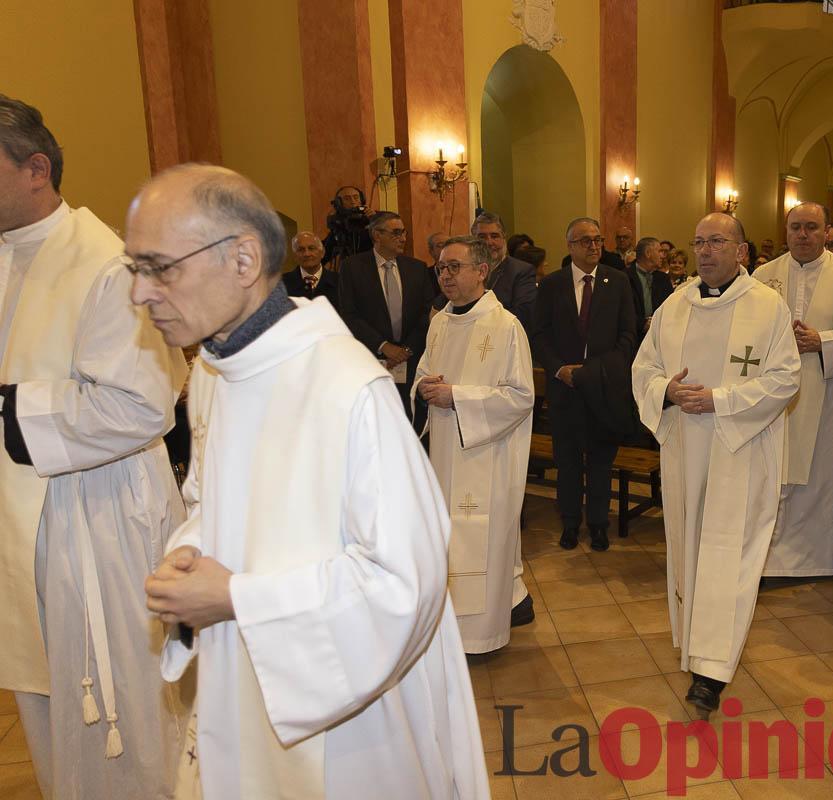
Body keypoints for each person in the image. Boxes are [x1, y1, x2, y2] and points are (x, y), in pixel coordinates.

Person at [131, 164, 488, 798]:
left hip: (345, 719)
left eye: (160, 267)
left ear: (244, 260)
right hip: (240, 672)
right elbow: (209, 502)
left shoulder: (347, 387)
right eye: (135, 269)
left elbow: (407, 582)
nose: (141, 294)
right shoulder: (215, 374)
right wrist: (188, 556)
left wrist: (239, 598)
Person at [0, 94, 187, 800]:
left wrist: (12, 407)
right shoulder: (6, 255)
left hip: (100, 518)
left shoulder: (107, 264)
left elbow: (141, 404)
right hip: (28, 523)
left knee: (124, 709)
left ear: (35, 168)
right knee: (50, 707)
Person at [631, 212, 801, 717]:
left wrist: (720, 401)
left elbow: (786, 378)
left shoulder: (767, 307)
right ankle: (694, 648)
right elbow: (644, 367)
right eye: (699, 242)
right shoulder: (674, 304)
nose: (705, 252)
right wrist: (667, 391)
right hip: (685, 448)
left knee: (729, 557)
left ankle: (711, 673)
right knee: (689, 549)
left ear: (742, 252)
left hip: (740, 451)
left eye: (718, 242)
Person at [414, 235, 536, 652]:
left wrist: (457, 397)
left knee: (484, 540)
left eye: (454, 267)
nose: (444, 275)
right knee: (448, 539)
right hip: (445, 454)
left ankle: (481, 636)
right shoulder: (440, 322)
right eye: (441, 268)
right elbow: (424, 374)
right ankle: (449, 629)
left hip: (488, 455)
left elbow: (521, 396)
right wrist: (423, 388)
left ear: (481, 271)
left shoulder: (506, 327)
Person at [754, 202, 833, 579]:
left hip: (827, 391)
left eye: (811, 228)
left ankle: (815, 558)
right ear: (786, 231)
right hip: (773, 396)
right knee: (774, 475)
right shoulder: (762, 275)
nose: (802, 235)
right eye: (795, 227)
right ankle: (768, 560)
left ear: (826, 232)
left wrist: (823, 341)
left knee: (820, 477)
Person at [532, 217, 637, 552]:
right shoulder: (552, 285)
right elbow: (540, 334)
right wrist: (558, 369)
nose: (594, 246)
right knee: (568, 463)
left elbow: (627, 334)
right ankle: (570, 524)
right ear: (571, 246)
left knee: (600, 462)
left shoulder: (617, 281)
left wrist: (595, 371)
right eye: (586, 241)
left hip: (603, 388)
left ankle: (598, 524)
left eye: (598, 240)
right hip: (564, 389)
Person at [338, 211, 435, 418]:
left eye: (404, 232)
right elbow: (349, 314)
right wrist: (384, 346)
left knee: (410, 420)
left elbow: (426, 314)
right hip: (371, 359)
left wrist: (406, 350)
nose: (403, 238)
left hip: (411, 361)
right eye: (396, 233)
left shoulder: (417, 268)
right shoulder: (352, 267)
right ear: (377, 235)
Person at [468, 211, 537, 330]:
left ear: (504, 237)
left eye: (494, 236)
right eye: (482, 237)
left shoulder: (522, 271)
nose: (489, 242)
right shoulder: (466, 270)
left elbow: (523, 315)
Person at [627, 236, 673, 337]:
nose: (662, 256)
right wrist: (642, 324)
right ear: (648, 253)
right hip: (633, 338)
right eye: (659, 251)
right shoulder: (624, 277)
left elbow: (670, 307)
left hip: (660, 335)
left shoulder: (664, 279)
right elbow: (622, 311)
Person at [283, 231, 339, 308]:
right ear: (295, 256)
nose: (307, 254)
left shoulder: (340, 282)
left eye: (311, 248)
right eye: (301, 249)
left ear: (322, 252)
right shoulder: (281, 284)